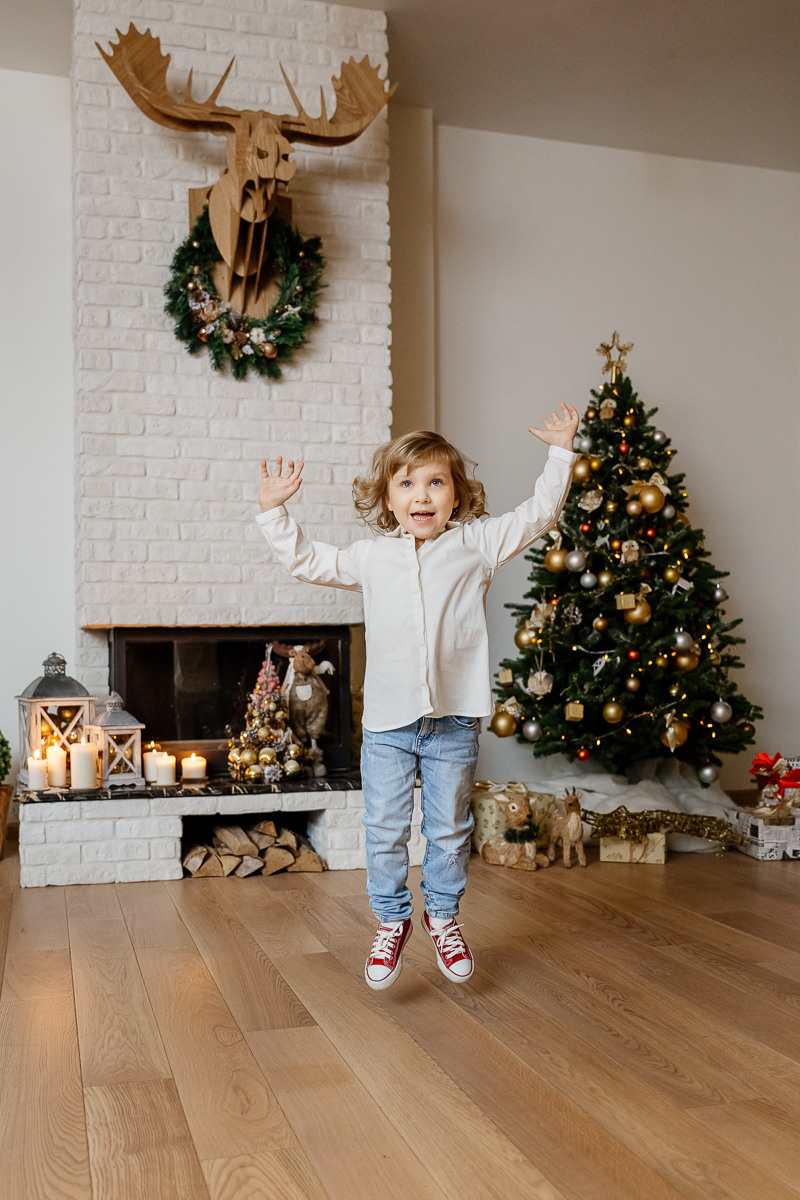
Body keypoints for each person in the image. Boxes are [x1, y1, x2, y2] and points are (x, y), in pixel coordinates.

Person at [256, 403, 578, 989]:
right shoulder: (371, 556)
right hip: (386, 724)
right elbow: (308, 560)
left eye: (436, 482)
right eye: (407, 483)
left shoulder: (477, 545)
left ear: (457, 496)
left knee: (449, 830)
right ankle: (391, 922)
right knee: (383, 830)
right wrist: (275, 510)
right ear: (387, 498)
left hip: (454, 721)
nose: (422, 495)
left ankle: (444, 918)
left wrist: (560, 452)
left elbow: (538, 515)